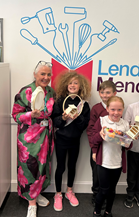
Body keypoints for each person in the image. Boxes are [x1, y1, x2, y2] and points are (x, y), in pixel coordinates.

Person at [12, 61, 55, 217]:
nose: (46, 77)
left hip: (46, 135)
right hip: (28, 138)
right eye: (42, 74)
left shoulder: (51, 92)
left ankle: (37, 194)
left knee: (43, 167)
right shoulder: (25, 91)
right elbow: (15, 115)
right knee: (29, 167)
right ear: (35, 74)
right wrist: (31, 114)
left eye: (48, 74)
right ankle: (31, 203)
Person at [52, 71, 91, 212]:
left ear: (81, 86)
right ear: (65, 85)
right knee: (60, 167)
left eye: (75, 83)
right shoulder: (60, 101)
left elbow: (84, 125)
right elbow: (55, 122)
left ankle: (69, 191)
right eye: (70, 83)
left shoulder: (84, 105)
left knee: (72, 166)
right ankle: (57, 194)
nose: (72, 85)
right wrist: (62, 118)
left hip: (75, 140)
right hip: (61, 140)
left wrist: (76, 117)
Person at [90, 96, 130, 217]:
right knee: (103, 190)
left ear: (122, 110)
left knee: (112, 190)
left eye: (119, 110)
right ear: (107, 108)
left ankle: (108, 211)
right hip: (103, 162)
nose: (116, 113)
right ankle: (97, 211)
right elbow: (93, 139)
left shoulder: (125, 124)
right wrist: (99, 136)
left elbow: (128, 146)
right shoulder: (102, 121)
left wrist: (130, 140)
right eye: (113, 109)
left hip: (117, 163)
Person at [87, 80, 116, 206]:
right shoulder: (96, 109)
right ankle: (96, 196)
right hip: (97, 148)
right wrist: (94, 149)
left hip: (112, 149)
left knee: (109, 174)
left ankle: (106, 196)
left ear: (114, 93)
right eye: (102, 92)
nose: (104, 95)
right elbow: (90, 130)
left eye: (108, 92)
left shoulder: (116, 108)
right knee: (97, 174)